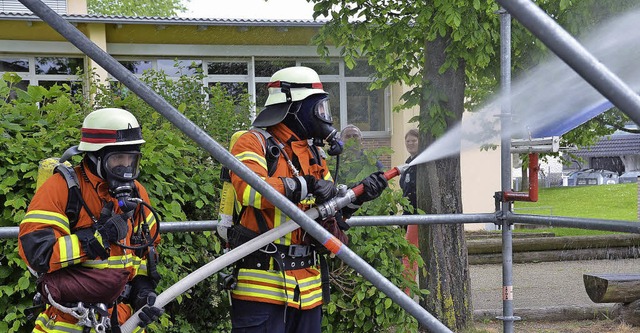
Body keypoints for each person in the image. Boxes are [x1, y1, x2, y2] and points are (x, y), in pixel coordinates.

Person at [228, 66, 388, 333]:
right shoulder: (251, 143)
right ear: (292, 107)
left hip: (308, 290)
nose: (324, 117)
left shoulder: (314, 153)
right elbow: (250, 191)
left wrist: (358, 197)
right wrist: (308, 185)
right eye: (318, 109)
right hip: (262, 287)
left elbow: (329, 215)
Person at [18, 108, 164, 332]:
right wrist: (97, 239)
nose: (125, 168)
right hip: (70, 321)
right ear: (95, 157)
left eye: (131, 160)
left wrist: (142, 294)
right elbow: (37, 253)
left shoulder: (138, 193)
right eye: (117, 160)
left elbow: (147, 251)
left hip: (122, 321)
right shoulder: (62, 189)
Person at [400, 129, 419, 215]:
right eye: (408, 141)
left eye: (414, 141)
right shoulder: (407, 164)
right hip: (407, 210)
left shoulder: (422, 164)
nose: (410, 143)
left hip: (418, 211)